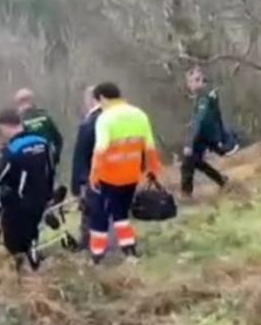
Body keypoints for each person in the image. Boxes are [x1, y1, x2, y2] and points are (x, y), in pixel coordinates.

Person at [88, 82, 161, 264]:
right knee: (121, 213)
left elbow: (101, 149)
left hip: (109, 175)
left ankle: (97, 255)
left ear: (103, 98)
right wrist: (152, 169)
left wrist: (93, 175)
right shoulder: (139, 114)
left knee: (101, 215)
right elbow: (150, 146)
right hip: (131, 174)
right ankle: (129, 250)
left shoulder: (105, 118)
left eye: (98, 101)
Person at [0, 108, 54, 272]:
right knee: (31, 234)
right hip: (39, 200)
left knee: (13, 243)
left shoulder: (13, 151)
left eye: (1, 130)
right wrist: (48, 195)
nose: (2, 134)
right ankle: (35, 266)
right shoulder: (42, 143)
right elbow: (50, 170)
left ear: (6, 126)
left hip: (18, 203)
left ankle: (23, 274)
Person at [181, 67, 238, 199]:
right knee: (196, 162)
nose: (192, 84)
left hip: (205, 135)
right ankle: (222, 180)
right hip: (207, 134)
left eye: (195, 80)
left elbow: (199, 120)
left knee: (187, 163)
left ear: (202, 80)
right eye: (189, 81)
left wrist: (189, 142)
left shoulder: (205, 96)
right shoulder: (205, 94)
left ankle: (186, 195)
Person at [70, 86, 103, 251]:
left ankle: (89, 245)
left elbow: (80, 156)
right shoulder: (113, 119)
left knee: (90, 212)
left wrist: (77, 184)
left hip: (92, 175)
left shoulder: (89, 124)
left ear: (91, 100)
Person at [14, 88, 64, 167]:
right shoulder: (45, 117)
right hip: (46, 162)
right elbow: (58, 140)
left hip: (28, 164)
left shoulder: (19, 121)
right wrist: (55, 158)